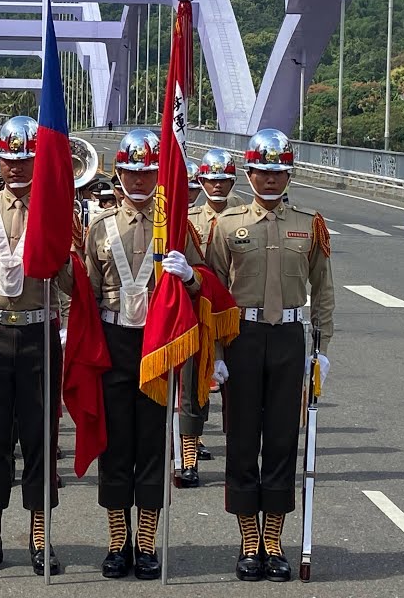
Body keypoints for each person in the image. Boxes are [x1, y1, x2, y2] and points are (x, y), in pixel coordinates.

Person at [209, 128, 334, 582]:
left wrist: (321, 348)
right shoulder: (227, 225)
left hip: (288, 339)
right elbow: (214, 293)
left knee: (282, 439)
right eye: (262, 171)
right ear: (249, 172)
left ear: (288, 174)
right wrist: (216, 352)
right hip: (242, 334)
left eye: (277, 171)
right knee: (243, 438)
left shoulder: (309, 223)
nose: (269, 179)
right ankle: (248, 539)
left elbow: (322, 289)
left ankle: (273, 540)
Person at [0, 115, 74, 576]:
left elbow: (70, 279)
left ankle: (40, 535)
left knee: (40, 439)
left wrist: (63, 247)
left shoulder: (57, 210)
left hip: (39, 331)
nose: (18, 167)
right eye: (10, 159)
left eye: (26, 158)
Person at [86, 128, 205, 580]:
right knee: (116, 447)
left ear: (158, 174)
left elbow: (201, 283)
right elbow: (89, 298)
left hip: (157, 344)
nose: (138, 181)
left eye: (147, 173)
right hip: (115, 342)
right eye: (131, 173)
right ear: (119, 175)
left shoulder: (173, 224)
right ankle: (118, 542)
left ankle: (147, 543)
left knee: (152, 446)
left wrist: (188, 275)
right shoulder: (100, 227)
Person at [175, 148, 246, 488]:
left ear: (232, 181)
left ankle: (241, 455)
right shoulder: (187, 220)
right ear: (200, 181)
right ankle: (189, 460)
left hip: (237, 315)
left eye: (224, 180)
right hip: (200, 314)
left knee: (242, 392)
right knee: (193, 389)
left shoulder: (247, 217)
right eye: (211, 180)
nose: (217, 186)